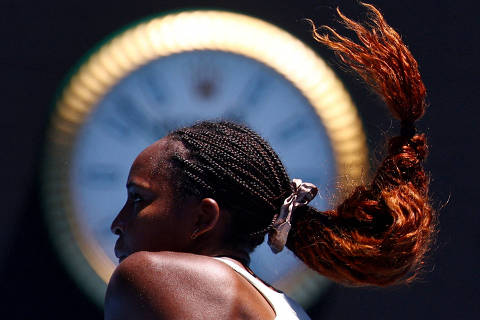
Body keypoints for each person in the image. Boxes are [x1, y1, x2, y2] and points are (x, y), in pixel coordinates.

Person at [104, 3, 435, 319]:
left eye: (138, 199)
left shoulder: (144, 277)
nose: (117, 222)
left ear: (203, 218)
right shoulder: (284, 306)